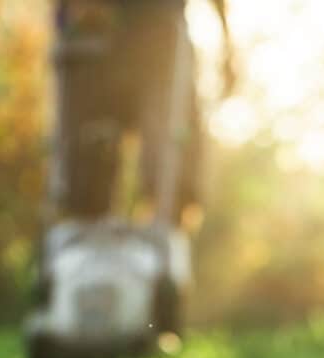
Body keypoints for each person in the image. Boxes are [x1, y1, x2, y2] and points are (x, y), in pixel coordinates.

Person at [53, 0, 234, 225]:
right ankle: (85, 221)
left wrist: (228, 46)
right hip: (93, 39)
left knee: (169, 157)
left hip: (159, 36)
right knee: (90, 151)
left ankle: (164, 222)